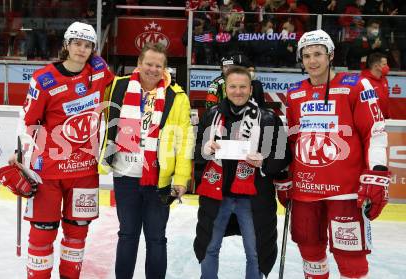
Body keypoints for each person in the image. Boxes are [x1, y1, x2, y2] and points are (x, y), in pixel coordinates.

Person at [278, 29, 390, 278]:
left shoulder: (356, 85)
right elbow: (290, 138)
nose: (312, 61)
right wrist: (284, 176)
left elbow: (375, 131)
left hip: (346, 191)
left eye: (318, 54)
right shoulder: (294, 93)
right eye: (306, 56)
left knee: (350, 257)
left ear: (330, 55)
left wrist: (376, 173)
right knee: (308, 247)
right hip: (306, 190)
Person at [9, 21, 114, 278]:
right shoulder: (44, 79)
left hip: (84, 171)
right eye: (77, 43)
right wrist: (20, 153)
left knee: (77, 233)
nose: (82, 49)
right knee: (42, 234)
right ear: (67, 45)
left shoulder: (99, 70)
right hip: (48, 172)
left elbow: (119, 88)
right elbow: (29, 121)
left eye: (88, 45)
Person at [98, 42, 193, 279]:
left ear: (165, 69)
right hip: (125, 174)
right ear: (139, 64)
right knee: (128, 234)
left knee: (156, 238)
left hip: (159, 178)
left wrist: (181, 178)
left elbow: (185, 141)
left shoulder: (177, 97)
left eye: (158, 65)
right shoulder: (117, 86)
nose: (152, 69)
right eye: (148, 63)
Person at [194, 66, 291, 279]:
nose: (238, 91)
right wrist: (205, 150)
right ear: (225, 89)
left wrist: (264, 163)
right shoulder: (211, 116)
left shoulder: (267, 118)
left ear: (251, 88)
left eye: (243, 87)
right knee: (210, 248)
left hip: (254, 199)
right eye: (233, 86)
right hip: (217, 197)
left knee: (255, 253)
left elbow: (283, 156)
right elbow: (195, 151)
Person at [361, 52, 391, 119]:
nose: (387, 67)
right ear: (376, 66)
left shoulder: (384, 79)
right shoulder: (363, 81)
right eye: (384, 64)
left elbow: (386, 101)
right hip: (370, 120)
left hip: (384, 119)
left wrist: (387, 117)